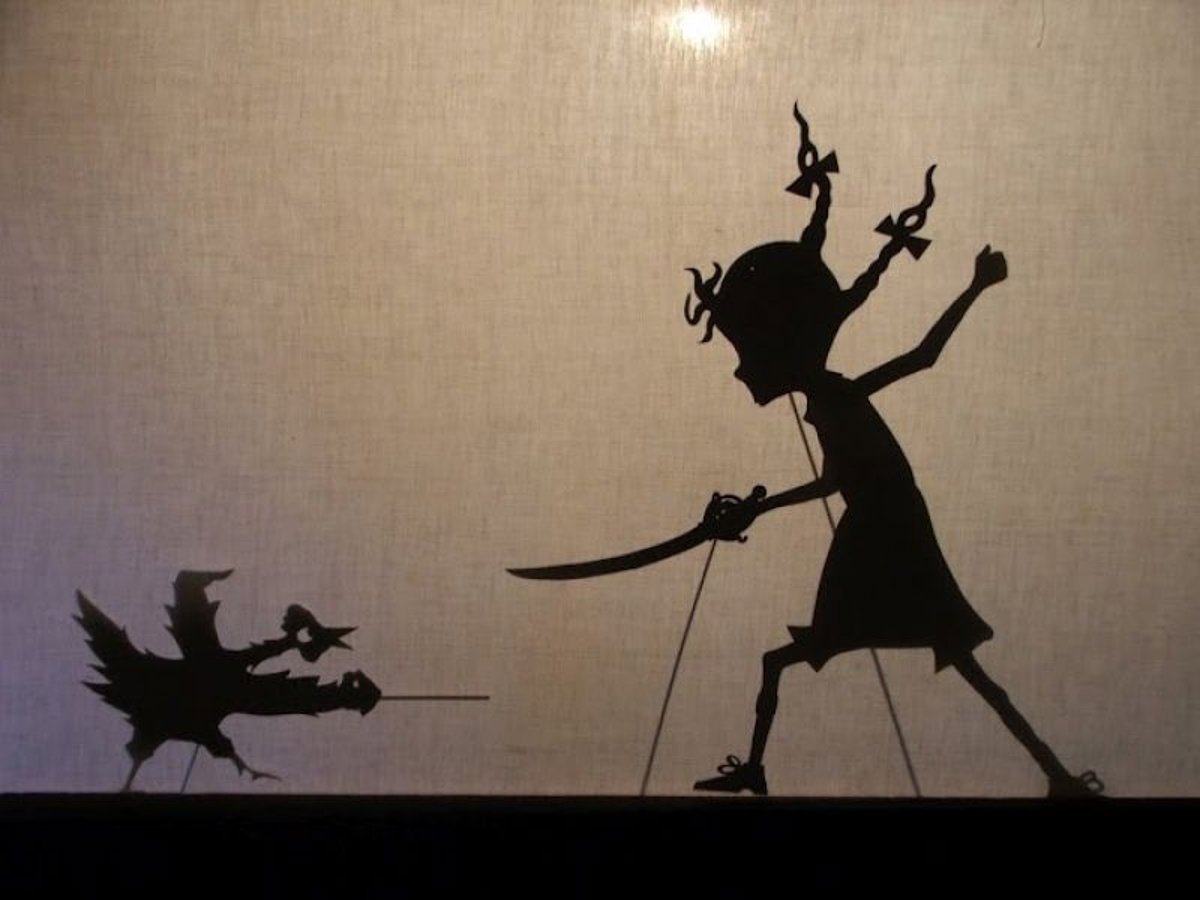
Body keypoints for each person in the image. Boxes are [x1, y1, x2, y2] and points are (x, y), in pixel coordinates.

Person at [686, 109, 1102, 798]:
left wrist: (974, 288)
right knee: (832, 658)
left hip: (890, 529)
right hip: (875, 524)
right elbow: (832, 481)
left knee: (950, 662)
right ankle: (757, 768)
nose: (743, 372)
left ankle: (1058, 775)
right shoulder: (827, 402)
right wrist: (759, 507)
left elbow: (922, 357)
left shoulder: (838, 394)